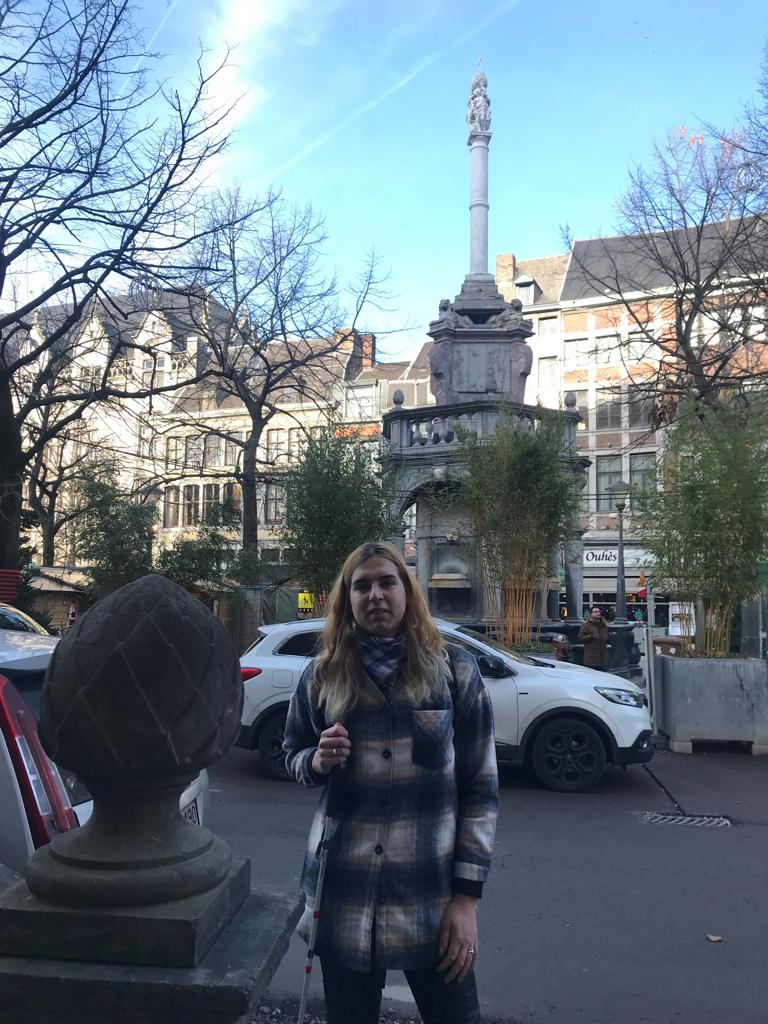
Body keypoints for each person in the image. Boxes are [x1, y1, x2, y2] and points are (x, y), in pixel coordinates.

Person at [283, 541, 499, 1024]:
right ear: (346, 598)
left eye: (387, 582)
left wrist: (466, 900)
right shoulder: (321, 675)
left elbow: (481, 791)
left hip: (431, 896)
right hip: (344, 892)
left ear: (408, 591)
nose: (375, 595)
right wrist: (315, 761)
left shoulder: (455, 672)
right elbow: (290, 755)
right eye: (361, 586)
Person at [578, 605, 610, 670]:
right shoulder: (586, 625)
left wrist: (607, 637)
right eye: (595, 612)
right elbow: (580, 638)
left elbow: (606, 636)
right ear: (591, 614)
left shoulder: (604, 625)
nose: (598, 613)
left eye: (598, 611)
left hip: (603, 658)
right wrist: (591, 636)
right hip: (591, 658)